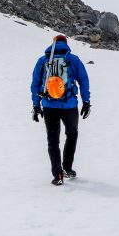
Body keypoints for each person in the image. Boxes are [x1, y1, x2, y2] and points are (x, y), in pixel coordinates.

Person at [30, 34, 90, 185]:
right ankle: (68, 168)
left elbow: (35, 84)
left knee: (53, 141)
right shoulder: (73, 59)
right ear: (66, 43)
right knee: (72, 134)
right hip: (69, 105)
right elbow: (83, 80)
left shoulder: (43, 61)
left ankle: (58, 175)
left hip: (49, 105)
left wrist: (36, 105)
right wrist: (86, 101)